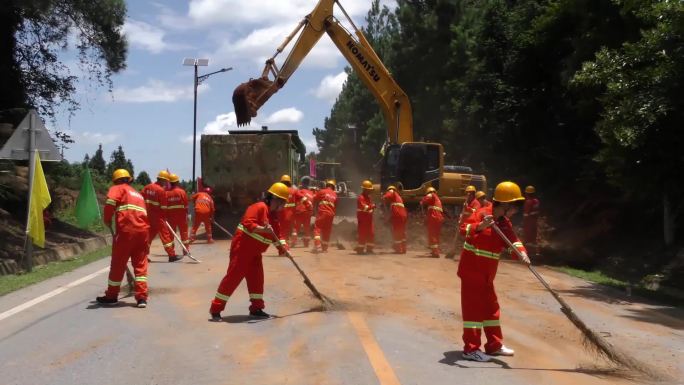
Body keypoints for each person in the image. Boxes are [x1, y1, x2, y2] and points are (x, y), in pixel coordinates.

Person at [457, 181, 531, 362]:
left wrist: (522, 254)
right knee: (473, 311)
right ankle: (471, 349)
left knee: (491, 309)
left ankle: (494, 345)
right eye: (514, 207)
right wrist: (481, 226)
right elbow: (463, 229)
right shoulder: (482, 214)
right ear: (504, 205)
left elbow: (513, 241)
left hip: (488, 275)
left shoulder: (504, 223)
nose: (516, 211)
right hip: (472, 271)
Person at [209, 182, 289, 321]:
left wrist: (283, 249)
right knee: (233, 278)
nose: (282, 207)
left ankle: (256, 309)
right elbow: (248, 223)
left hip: (256, 252)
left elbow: (277, 236)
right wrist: (263, 229)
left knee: (257, 279)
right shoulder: (258, 207)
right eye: (282, 203)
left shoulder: (273, 216)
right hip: (242, 248)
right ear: (274, 199)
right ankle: (216, 309)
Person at [97, 169, 150, 308]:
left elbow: (110, 204)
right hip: (143, 232)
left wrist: (107, 219)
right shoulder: (137, 194)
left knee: (118, 264)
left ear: (116, 180)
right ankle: (142, 298)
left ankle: (112, 296)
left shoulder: (117, 188)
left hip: (127, 232)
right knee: (140, 265)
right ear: (129, 179)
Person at [141, 170, 175, 259]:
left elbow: (140, 200)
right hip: (158, 217)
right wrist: (164, 218)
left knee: (149, 236)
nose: (166, 183)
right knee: (165, 235)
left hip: (147, 216)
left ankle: (143, 255)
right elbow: (164, 207)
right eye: (166, 181)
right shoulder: (161, 191)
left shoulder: (147, 187)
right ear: (163, 180)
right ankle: (172, 255)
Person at [164, 173, 188, 262]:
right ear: (177, 182)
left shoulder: (166, 193)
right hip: (181, 216)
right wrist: (186, 214)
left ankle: (172, 252)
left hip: (170, 217)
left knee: (170, 236)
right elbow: (186, 205)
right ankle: (186, 251)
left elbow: (164, 206)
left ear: (170, 182)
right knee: (184, 233)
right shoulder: (182, 192)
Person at [312, 179, 337, 253]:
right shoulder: (335, 194)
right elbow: (335, 205)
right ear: (333, 187)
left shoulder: (322, 191)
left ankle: (317, 245)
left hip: (323, 212)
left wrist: (315, 192)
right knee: (327, 230)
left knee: (317, 228)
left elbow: (315, 198)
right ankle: (325, 248)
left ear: (327, 185)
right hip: (331, 214)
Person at [382, 185, 407, 254]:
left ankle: (398, 248)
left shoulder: (391, 191)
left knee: (397, 231)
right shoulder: (398, 197)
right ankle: (403, 248)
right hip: (403, 215)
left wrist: (384, 197)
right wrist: (390, 219)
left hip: (398, 215)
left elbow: (387, 196)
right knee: (402, 231)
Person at [420, 186, 444, 257]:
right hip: (439, 217)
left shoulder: (431, 194)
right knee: (436, 234)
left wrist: (422, 201)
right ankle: (435, 250)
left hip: (434, 216)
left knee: (432, 234)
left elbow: (426, 199)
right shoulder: (437, 199)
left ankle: (435, 252)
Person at [292, 177, 314, 247]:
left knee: (296, 227)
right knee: (306, 228)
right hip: (308, 213)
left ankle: (293, 242)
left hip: (300, 211)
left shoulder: (300, 191)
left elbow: (294, 196)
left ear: (302, 184)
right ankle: (306, 244)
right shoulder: (311, 193)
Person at [355, 180, 376, 254]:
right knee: (362, 234)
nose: (370, 191)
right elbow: (365, 207)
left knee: (371, 233)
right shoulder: (361, 198)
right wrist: (372, 206)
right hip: (363, 219)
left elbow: (370, 208)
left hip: (369, 220)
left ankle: (369, 249)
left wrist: (372, 208)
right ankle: (360, 249)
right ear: (365, 189)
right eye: (369, 190)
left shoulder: (368, 198)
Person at [277, 174, 297, 248]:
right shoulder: (293, 191)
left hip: (282, 214)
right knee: (290, 229)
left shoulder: (279, 191)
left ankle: (284, 247)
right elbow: (298, 201)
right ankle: (290, 242)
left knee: (282, 232)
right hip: (291, 214)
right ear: (289, 182)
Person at [523, 185, 540, 256]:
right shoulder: (536, 201)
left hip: (528, 222)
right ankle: (535, 252)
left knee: (527, 238)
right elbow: (537, 211)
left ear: (527, 193)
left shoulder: (528, 202)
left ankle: (527, 253)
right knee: (533, 238)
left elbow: (526, 214)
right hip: (535, 222)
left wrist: (523, 222)